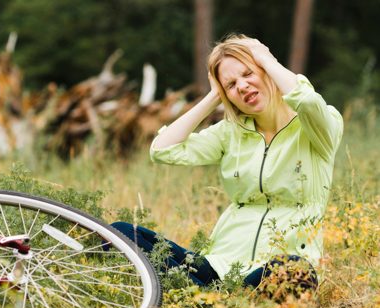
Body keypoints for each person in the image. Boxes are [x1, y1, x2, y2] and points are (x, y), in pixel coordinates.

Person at [111, 34, 344, 293]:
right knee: (118, 233)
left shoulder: (318, 127)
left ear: (268, 71)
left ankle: (199, 299)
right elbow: (163, 150)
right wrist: (213, 97)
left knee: (295, 270)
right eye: (231, 85)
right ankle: (208, 299)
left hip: (272, 268)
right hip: (219, 265)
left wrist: (266, 58)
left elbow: (309, 101)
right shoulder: (230, 132)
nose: (242, 86)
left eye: (248, 74)